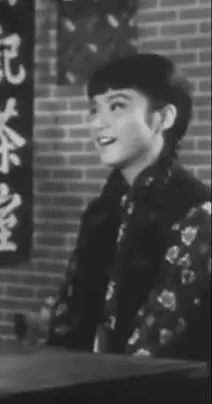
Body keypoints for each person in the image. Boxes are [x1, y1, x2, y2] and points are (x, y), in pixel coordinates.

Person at [44, 53, 210, 362]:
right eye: (94, 109)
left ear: (163, 118)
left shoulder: (197, 213)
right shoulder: (101, 212)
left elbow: (158, 342)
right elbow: (67, 321)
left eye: (117, 106)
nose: (97, 123)